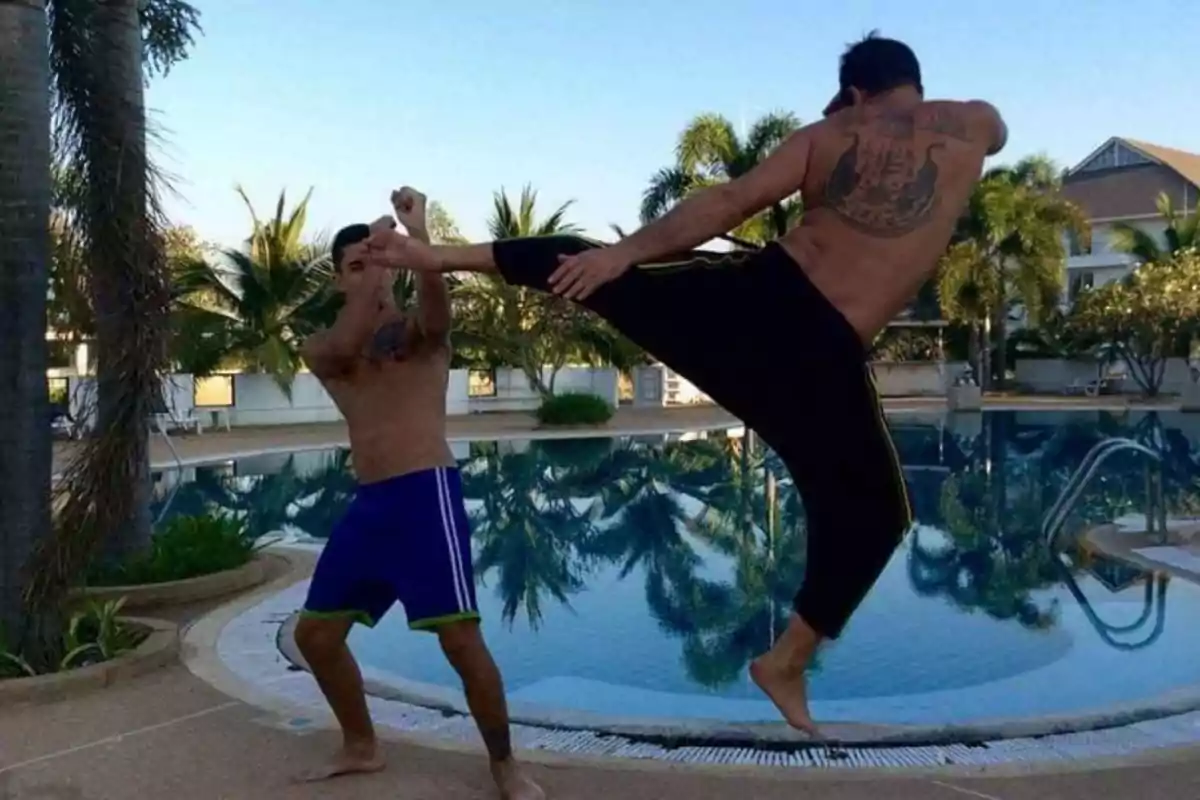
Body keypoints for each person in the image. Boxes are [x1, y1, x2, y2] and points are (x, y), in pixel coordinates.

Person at [363, 32, 1007, 736]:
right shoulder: (971, 123)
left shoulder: (827, 134)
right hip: (821, 346)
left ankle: (437, 254)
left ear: (853, 90)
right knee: (878, 514)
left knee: (607, 274)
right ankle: (789, 659)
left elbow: (729, 201)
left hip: (769, 310)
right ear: (911, 79)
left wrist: (625, 253)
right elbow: (997, 133)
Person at [292, 187, 544, 799]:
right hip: (370, 505)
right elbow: (349, 341)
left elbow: (438, 308)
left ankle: (504, 765)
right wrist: (372, 273)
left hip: (425, 496)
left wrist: (418, 234)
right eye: (357, 265)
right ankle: (361, 745)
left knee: (460, 639)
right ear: (338, 280)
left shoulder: (418, 336)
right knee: (315, 635)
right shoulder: (324, 347)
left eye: (381, 262)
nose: (374, 273)